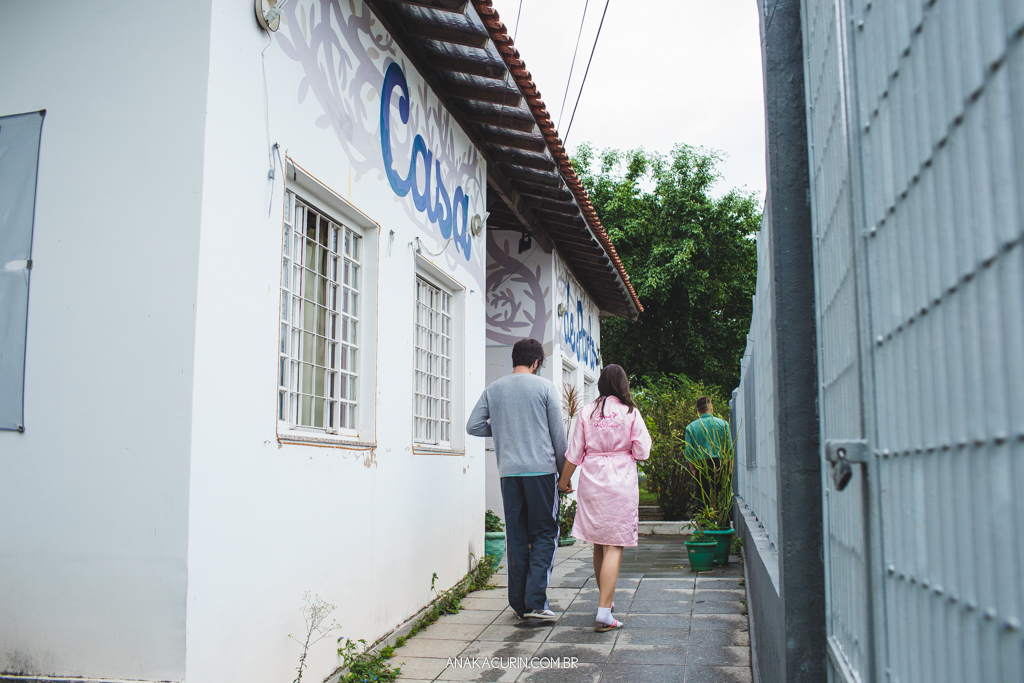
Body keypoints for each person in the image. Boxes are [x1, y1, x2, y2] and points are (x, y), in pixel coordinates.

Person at [466, 338, 566, 621]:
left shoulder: (494, 389)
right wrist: (564, 475)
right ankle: (536, 602)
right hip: (541, 473)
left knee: (517, 535)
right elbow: (558, 436)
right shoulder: (545, 387)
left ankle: (520, 604)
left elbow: (473, 426)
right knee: (545, 533)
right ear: (536, 362)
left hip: (509, 474)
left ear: (515, 359)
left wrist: (504, 427)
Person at [557, 364, 651, 632]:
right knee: (614, 545)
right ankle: (604, 611)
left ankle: (605, 603)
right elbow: (643, 451)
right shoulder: (630, 412)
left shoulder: (586, 411)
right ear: (623, 385)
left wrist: (563, 482)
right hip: (620, 483)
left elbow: (574, 453)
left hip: (592, 482)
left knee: (599, 543)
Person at [684, 395, 732, 476]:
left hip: (701, 466)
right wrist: (730, 468)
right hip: (720, 465)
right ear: (711, 407)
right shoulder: (723, 424)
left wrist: (693, 469)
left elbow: (688, 452)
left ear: (698, 410)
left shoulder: (691, 427)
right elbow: (729, 448)